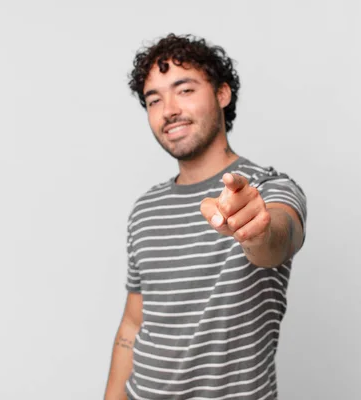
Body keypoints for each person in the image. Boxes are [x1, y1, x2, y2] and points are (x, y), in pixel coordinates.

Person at [104, 33, 307, 400]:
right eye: (154, 99)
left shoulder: (267, 188)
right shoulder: (144, 210)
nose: (168, 110)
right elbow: (133, 324)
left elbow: (279, 238)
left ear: (222, 94)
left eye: (184, 90)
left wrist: (254, 228)